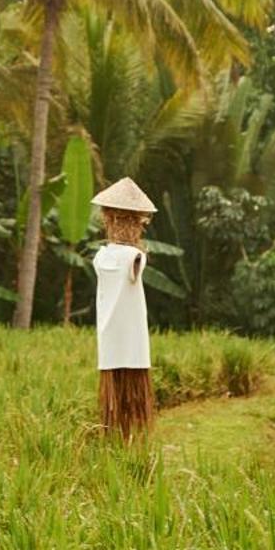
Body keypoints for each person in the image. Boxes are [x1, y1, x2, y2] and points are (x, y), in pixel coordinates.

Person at [91, 178, 157, 438]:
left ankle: (116, 434)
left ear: (108, 220)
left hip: (109, 338)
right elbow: (135, 257)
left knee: (115, 395)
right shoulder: (134, 257)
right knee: (130, 394)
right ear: (138, 222)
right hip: (132, 340)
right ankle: (126, 435)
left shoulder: (101, 256)